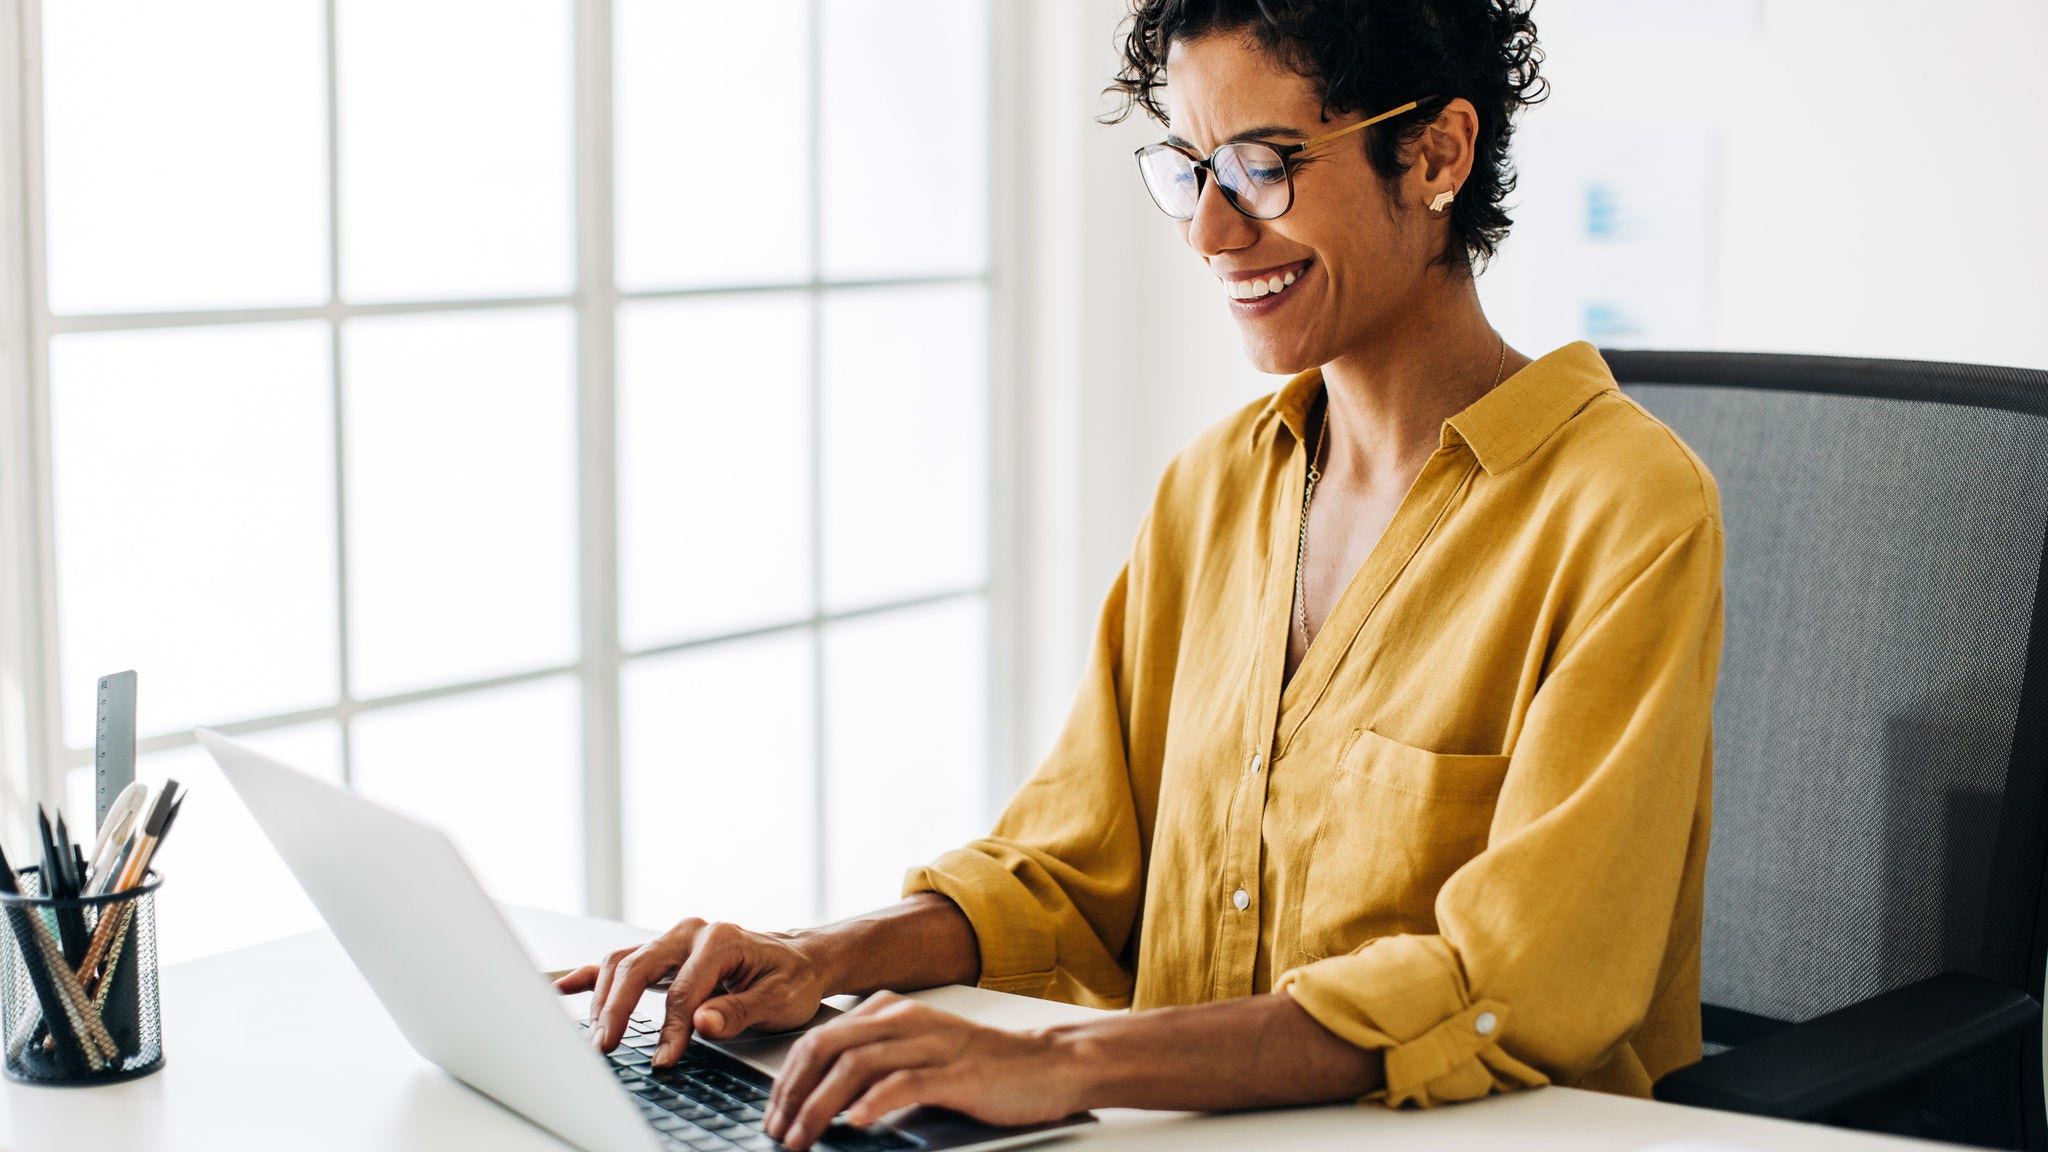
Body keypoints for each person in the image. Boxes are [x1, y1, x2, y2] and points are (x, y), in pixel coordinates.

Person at [558, 1, 1723, 1147]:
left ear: (1435, 153)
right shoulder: (1211, 488)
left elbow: (1513, 981)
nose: (1210, 233)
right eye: (1189, 168)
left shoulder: (1623, 509)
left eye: (1262, 167)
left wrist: (1059, 1066)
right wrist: (817, 956)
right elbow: (1066, 873)